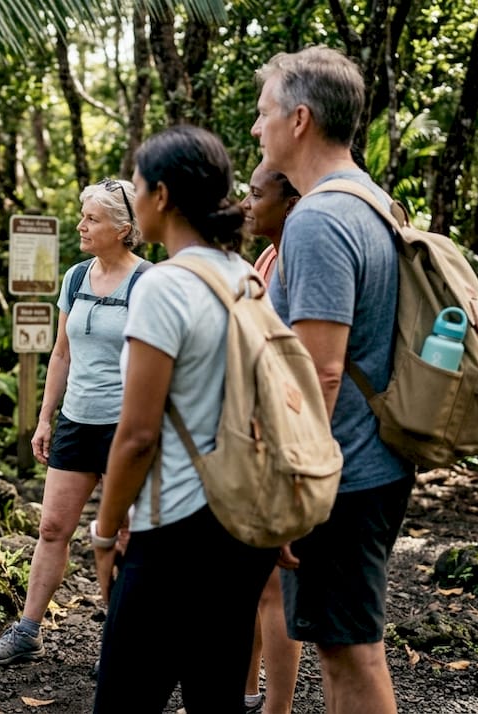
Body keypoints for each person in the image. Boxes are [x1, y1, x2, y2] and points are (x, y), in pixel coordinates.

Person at [89, 125, 277, 712]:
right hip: (243, 524)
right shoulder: (245, 277)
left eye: (139, 186)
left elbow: (138, 435)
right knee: (215, 698)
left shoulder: (164, 286)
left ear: (163, 196)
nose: (135, 198)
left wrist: (104, 530)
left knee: (123, 700)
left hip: (175, 530)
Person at [251, 46, 415, 714]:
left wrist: (295, 490)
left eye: (263, 115)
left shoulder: (318, 219)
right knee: (347, 649)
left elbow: (317, 369)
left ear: (299, 119)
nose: (256, 130)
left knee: (352, 656)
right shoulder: (372, 199)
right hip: (372, 460)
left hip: (341, 475)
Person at [0, 178, 144, 665]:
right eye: (82, 215)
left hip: (125, 428)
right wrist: (45, 418)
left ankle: (123, 642)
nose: (81, 225)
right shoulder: (74, 278)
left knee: (125, 538)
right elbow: (62, 355)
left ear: (123, 228)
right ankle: (28, 630)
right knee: (52, 527)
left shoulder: (148, 281)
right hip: (77, 420)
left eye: (91, 218)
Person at [239, 163, 303, 714]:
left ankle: (277, 707)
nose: (246, 202)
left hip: (286, 444)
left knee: (275, 587)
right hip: (256, 440)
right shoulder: (266, 257)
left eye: (257, 194)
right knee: (253, 585)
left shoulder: (300, 259)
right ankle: (247, 690)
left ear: (290, 201)